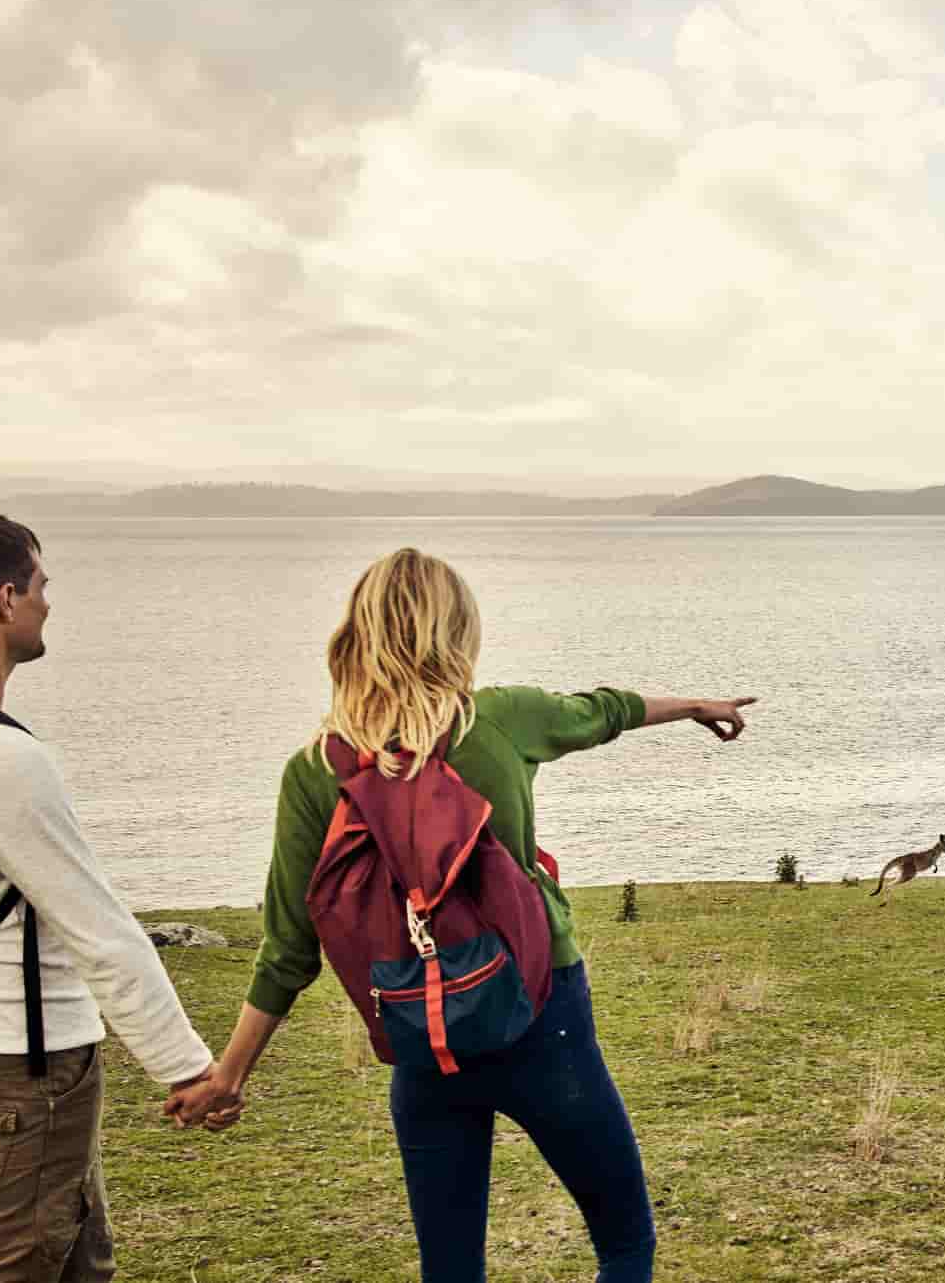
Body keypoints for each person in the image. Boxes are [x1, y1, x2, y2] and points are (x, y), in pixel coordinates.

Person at [198, 547, 753, 1283]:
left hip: (421, 1034)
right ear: (457, 632)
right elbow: (605, 711)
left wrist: (230, 1074)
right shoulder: (500, 721)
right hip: (541, 1015)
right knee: (624, 1243)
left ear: (356, 634)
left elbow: (288, 947)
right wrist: (694, 706)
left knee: (450, 1270)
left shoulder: (314, 768)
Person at [0, 508, 233, 1283]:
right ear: (5, 599)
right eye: (40, 585)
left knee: (76, 1259)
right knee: (2, 1269)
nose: (47, 602)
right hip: (21, 1066)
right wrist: (189, 1070)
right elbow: (99, 930)